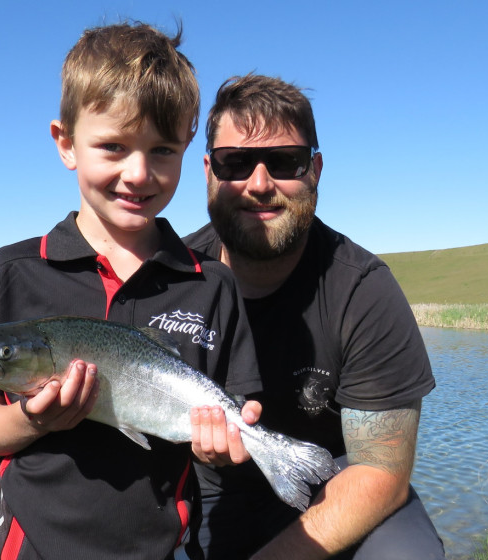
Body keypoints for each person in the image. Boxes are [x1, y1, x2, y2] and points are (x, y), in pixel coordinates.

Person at [0, 24, 261, 560]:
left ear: (188, 147)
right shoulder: (11, 272)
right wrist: (30, 419)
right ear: (65, 142)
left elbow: (237, 418)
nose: (138, 173)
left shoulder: (213, 284)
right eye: (112, 146)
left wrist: (223, 452)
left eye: (162, 149)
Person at [185, 73, 445, 559]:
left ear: (316, 170)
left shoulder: (362, 289)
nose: (259, 185)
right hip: (203, 491)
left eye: (284, 162)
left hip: (332, 483)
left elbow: (381, 472)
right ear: (208, 172)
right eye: (235, 163)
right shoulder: (170, 279)